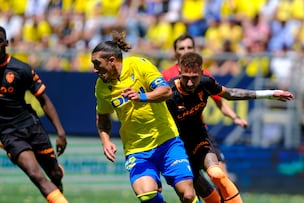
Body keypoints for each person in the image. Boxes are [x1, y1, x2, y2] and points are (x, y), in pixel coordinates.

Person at [166, 52, 295, 203]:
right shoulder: (168, 93)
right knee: (193, 192)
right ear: (179, 72)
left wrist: (270, 94)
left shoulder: (206, 83)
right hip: (177, 145)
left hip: (198, 137)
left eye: (194, 77)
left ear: (201, 73)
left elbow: (231, 93)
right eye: (185, 77)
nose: (189, 83)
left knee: (216, 174)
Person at [91, 31, 199, 203]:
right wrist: (105, 141)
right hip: (137, 150)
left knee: (187, 195)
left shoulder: (139, 65)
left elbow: (166, 91)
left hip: (167, 141)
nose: (94, 69)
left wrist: (142, 96)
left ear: (112, 60)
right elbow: (103, 118)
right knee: (146, 194)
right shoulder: (101, 87)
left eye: (97, 64)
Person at [0, 25, 69, 203]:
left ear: (6, 42)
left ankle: (57, 175)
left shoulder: (21, 69)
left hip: (31, 126)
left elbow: (43, 100)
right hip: (8, 132)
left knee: (54, 175)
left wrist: (60, 132)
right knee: (36, 175)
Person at [163, 33, 248, 203]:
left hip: (200, 132)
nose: (185, 51)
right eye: (181, 48)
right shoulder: (165, 77)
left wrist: (235, 117)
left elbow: (220, 100)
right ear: (175, 53)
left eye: (189, 47)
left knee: (219, 173)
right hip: (177, 137)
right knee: (194, 184)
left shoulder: (203, 76)